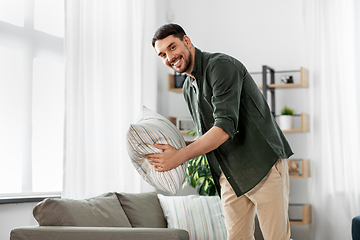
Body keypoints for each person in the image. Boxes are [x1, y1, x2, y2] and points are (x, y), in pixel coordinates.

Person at [148, 23, 293, 240]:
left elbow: (224, 128)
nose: (169, 57)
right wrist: (176, 149)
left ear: (186, 41)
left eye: (172, 47)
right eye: (162, 54)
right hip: (229, 174)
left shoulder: (220, 66)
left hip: (263, 164)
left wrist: (178, 157)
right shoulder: (189, 87)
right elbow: (207, 133)